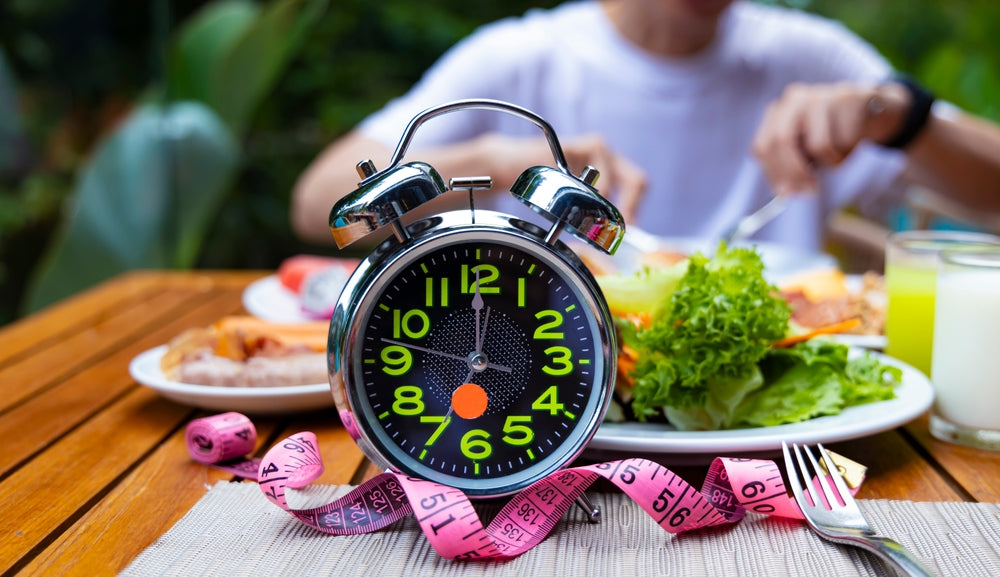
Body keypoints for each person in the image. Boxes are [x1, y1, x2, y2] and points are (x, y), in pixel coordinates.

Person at [291, 0, 1000, 252]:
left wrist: (903, 117)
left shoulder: (809, 54)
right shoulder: (522, 58)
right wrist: (496, 161)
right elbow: (319, 202)